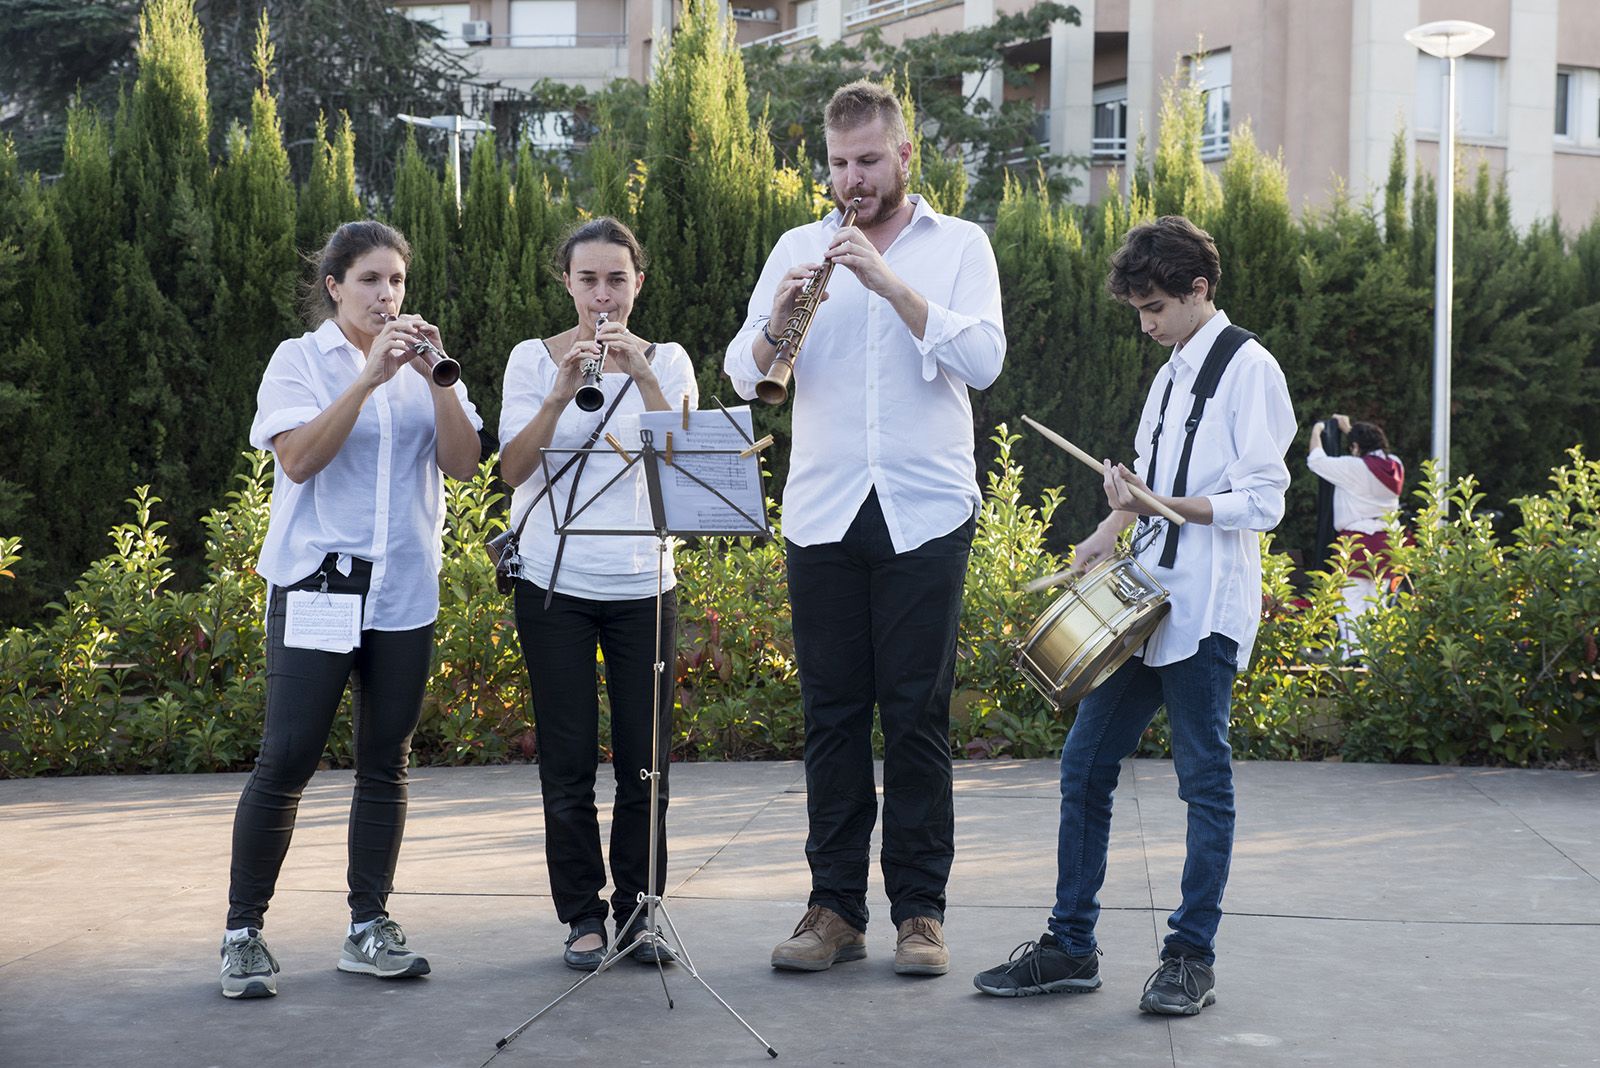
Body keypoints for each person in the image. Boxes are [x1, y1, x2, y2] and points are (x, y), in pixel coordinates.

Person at [972, 216, 1294, 1014]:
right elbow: (1146, 479)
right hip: (1142, 603)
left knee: (1203, 782)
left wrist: (1169, 505)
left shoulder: (1250, 367)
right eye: (1139, 311)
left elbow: (1265, 499)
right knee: (1085, 767)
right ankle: (1070, 947)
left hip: (1206, 608)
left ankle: (1190, 958)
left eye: (1155, 308)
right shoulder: (1169, 373)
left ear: (1198, 289)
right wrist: (1108, 527)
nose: (1146, 325)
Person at [724, 79, 1005, 978]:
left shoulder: (959, 246)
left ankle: (920, 912)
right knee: (832, 717)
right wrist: (774, 326)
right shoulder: (796, 247)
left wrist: (887, 283)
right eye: (841, 163)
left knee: (917, 716)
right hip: (824, 508)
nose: (854, 179)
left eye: (870, 161)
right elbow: (741, 374)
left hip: (926, 509)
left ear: (905, 154)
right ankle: (834, 910)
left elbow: (984, 359)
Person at [220, 220, 484, 999]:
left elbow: (463, 465)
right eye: (370, 280)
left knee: (385, 761)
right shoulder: (298, 361)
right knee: (288, 756)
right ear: (335, 286)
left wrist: (437, 381)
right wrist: (368, 378)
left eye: (396, 281)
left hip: (403, 590)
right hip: (318, 585)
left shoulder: (425, 364)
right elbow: (299, 459)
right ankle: (242, 934)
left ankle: (368, 926)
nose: (386, 295)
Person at [499, 217, 699, 970]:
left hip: (645, 583)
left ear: (637, 283)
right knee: (568, 760)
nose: (603, 295)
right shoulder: (532, 359)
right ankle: (582, 915)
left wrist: (641, 376)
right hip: (553, 584)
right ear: (567, 283)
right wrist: (559, 391)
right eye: (588, 280)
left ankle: (641, 912)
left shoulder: (668, 361)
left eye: (617, 279)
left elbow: (687, 468)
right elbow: (512, 471)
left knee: (646, 763)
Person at [1308, 414, 1404, 649]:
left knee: (1349, 605)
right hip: (1386, 544)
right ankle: (1376, 660)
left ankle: (1353, 658)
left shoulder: (1353, 467)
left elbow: (1316, 461)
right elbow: (1371, 458)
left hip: (1356, 544)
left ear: (1356, 447)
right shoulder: (1396, 465)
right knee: (1378, 606)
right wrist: (1350, 430)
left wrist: (1317, 431)